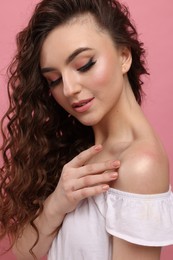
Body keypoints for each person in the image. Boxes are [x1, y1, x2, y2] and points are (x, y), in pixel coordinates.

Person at [0, 0, 173, 259]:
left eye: (84, 65)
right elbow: (24, 252)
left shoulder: (140, 166)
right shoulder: (78, 147)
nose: (68, 89)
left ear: (124, 57)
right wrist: (57, 204)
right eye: (54, 80)